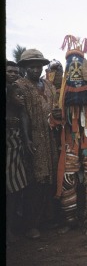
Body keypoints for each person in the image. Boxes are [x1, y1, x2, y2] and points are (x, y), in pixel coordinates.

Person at [48, 35, 87, 235]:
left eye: (77, 66)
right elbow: (54, 121)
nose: (74, 70)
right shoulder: (60, 93)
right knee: (67, 179)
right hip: (70, 141)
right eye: (70, 67)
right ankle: (70, 219)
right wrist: (55, 116)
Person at [16, 49, 60, 239]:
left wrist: (58, 116)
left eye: (38, 66)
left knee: (50, 179)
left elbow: (56, 108)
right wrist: (27, 139)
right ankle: (31, 224)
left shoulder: (49, 86)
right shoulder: (20, 86)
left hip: (51, 137)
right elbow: (23, 114)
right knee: (36, 181)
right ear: (25, 67)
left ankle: (47, 219)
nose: (36, 69)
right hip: (34, 137)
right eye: (31, 66)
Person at [6, 82, 30, 242]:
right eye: (17, 95)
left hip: (15, 155)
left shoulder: (20, 112)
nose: (21, 98)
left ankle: (11, 229)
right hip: (8, 155)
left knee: (14, 194)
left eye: (22, 95)